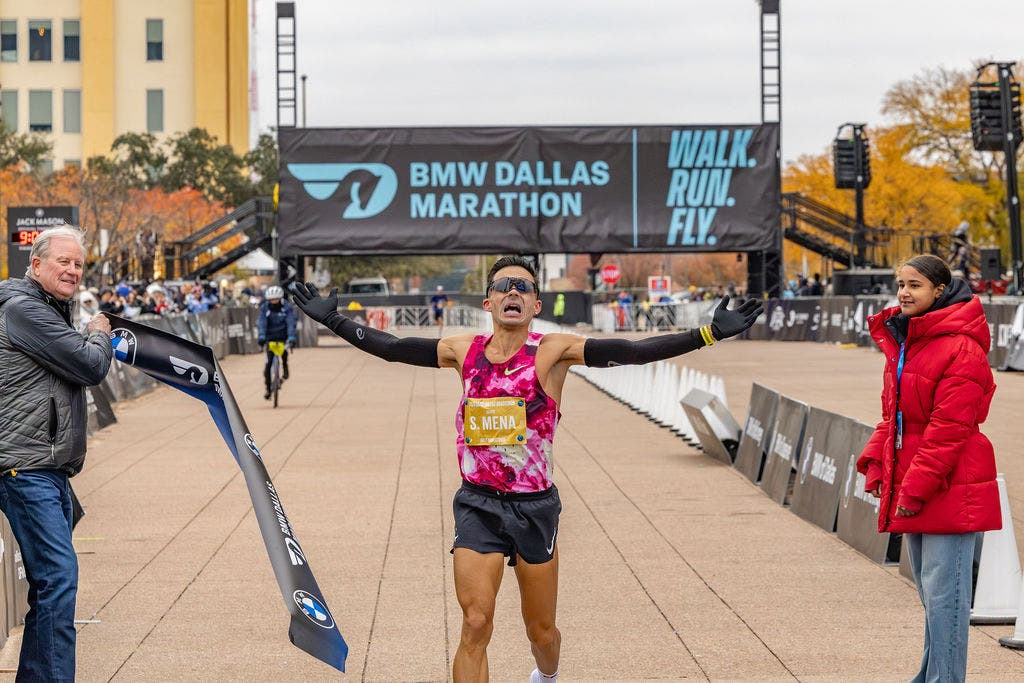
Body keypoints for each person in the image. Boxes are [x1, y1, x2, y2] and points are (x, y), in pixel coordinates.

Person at [289, 255, 762, 682]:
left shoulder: (553, 351)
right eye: (504, 286)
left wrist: (709, 333)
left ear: (536, 304)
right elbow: (393, 347)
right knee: (476, 621)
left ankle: (548, 676)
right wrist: (332, 318)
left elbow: (631, 351)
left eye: (523, 287)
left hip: (535, 508)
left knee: (542, 632)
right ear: (488, 301)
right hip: (477, 504)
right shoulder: (462, 350)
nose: (513, 292)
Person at [856, 254, 1001, 683]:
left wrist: (913, 486)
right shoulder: (909, 341)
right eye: (900, 283)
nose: (903, 292)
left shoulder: (961, 347)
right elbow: (896, 415)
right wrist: (876, 460)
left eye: (915, 284)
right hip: (921, 481)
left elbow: (949, 430)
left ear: (939, 290)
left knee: (946, 601)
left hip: (950, 484)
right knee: (931, 596)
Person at [0, 226, 113, 681]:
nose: (71, 270)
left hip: (46, 467)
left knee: (52, 582)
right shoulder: (25, 309)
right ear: (36, 265)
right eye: (62, 261)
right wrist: (98, 332)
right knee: (58, 580)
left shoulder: (46, 308)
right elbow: (90, 365)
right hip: (24, 466)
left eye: (78, 264)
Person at [257, 284, 297, 400]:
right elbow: (262, 322)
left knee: (284, 355)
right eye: (272, 299)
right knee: (268, 364)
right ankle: (268, 389)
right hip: (270, 338)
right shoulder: (265, 308)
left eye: (276, 299)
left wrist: (291, 337)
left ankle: (285, 369)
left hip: (283, 337)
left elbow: (291, 322)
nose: (274, 301)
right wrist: (261, 336)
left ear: (280, 298)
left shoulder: (287, 308)